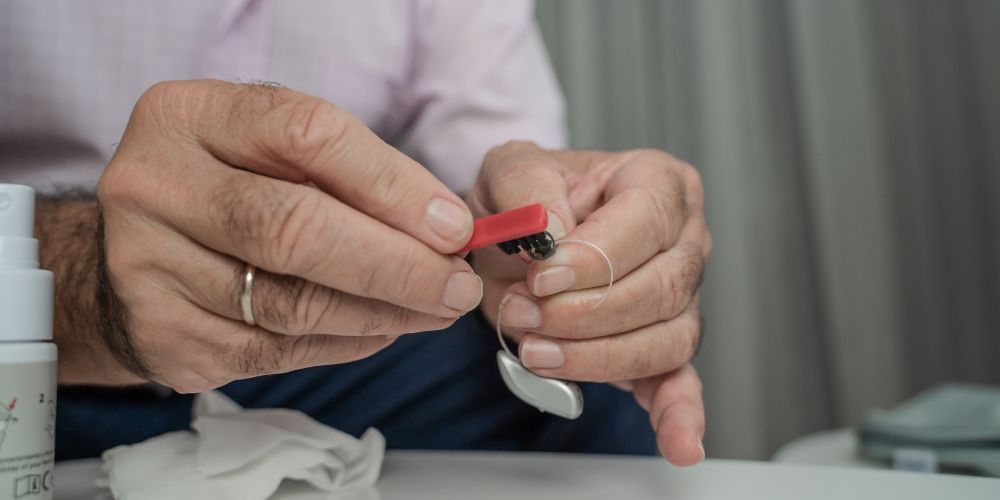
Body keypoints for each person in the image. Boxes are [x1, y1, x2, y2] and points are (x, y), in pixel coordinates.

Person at [1, 0, 710, 466]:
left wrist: (572, 235)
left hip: (326, 356)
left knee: (599, 427)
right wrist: (78, 283)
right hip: (30, 348)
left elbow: (507, 170)